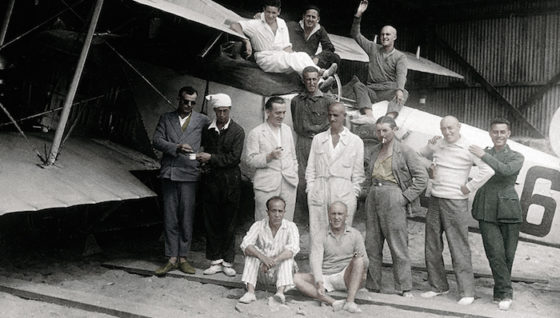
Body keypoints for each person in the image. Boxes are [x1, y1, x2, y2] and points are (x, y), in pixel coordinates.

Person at [418, 115, 495, 305]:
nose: (447, 132)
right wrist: (429, 154)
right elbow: (417, 155)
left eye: (451, 128)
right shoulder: (438, 144)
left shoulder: (468, 147)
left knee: (458, 246)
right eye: (443, 128)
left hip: (456, 203)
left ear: (459, 127)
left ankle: (467, 291)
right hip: (435, 199)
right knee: (432, 244)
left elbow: (488, 171)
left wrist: (469, 187)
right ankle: (438, 286)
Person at [362, 116, 428, 296]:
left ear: (395, 130)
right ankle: (373, 285)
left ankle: (404, 287)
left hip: (394, 196)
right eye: (378, 131)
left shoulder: (405, 151)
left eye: (385, 130)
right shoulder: (374, 150)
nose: (381, 134)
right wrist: (367, 192)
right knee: (372, 243)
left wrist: (405, 197)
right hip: (374, 195)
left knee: (398, 244)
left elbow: (422, 178)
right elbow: (368, 177)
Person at [152, 86, 210, 276]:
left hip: (189, 174)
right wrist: (176, 147)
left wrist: (205, 159)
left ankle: (183, 257)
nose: (189, 105)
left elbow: (212, 139)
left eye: (193, 103)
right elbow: (157, 140)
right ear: (179, 99)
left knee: (186, 218)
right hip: (169, 173)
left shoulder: (202, 120)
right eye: (185, 101)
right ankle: (171, 258)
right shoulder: (166, 118)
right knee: (170, 217)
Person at [469, 118, 524, 311]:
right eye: (495, 132)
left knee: (508, 255)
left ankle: (499, 292)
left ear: (509, 134)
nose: (499, 135)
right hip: (486, 208)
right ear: (490, 133)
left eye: (502, 132)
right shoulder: (483, 152)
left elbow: (505, 170)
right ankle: (506, 293)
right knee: (495, 254)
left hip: (509, 210)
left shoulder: (517, 156)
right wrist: (436, 144)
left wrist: (483, 155)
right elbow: (461, 155)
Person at [196, 93, 245, 277]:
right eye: (219, 111)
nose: (222, 114)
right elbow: (204, 152)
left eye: (225, 111)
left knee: (229, 222)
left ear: (230, 110)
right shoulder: (208, 131)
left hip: (230, 182)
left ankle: (228, 261)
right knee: (212, 221)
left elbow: (234, 158)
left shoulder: (238, 131)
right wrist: (202, 161)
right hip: (211, 181)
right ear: (215, 111)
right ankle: (215, 260)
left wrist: (211, 158)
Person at [230, 0, 337, 78]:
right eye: (268, 12)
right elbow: (234, 25)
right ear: (263, 10)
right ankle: (323, 73)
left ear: (279, 12)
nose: (271, 16)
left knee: (302, 56)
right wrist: (246, 40)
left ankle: (321, 81)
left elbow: (286, 46)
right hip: (265, 58)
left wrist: (295, 54)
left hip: (280, 55)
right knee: (291, 59)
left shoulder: (281, 22)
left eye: (274, 13)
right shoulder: (255, 24)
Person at [294, 201, 368, 313]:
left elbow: (365, 262)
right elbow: (316, 260)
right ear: (328, 215)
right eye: (333, 214)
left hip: (345, 277)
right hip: (325, 277)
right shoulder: (320, 234)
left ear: (346, 216)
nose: (336, 217)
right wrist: (319, 282)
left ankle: (349, 302)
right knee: (295, 278)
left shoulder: (355, 234)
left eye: (340, 214)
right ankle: (333, 302)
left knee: (359, 260)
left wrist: (358, 262)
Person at [306, 102, 364, 239]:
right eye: (330, 115)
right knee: (318, 235)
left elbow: (358, 174)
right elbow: (311, 169)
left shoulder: (355, 141)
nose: (332, 119)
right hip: (320, 191)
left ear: (344, 116)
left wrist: (353, 194)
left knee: (341, 236)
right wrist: (311, 190)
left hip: (344, 192)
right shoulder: (318, 139)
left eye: (336, 115)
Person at [350, 0, 408, 121]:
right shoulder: (373, 48)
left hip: (388, 90)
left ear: (394, 37)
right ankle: (369, 116)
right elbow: (355, 34)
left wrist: (399, 90)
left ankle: (389, 119)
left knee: (404, 92)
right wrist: (358, 15)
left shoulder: (400, 56)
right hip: (372, 90)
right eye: (382, 34)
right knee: (358, 85)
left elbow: (401, 75)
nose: (384, 37)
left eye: (388, 34)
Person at [291, 66, 334, 222]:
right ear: (303, 80)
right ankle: (305, 216)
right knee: (301, 179)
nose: (311, 83)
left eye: (314, 79)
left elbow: (333, 124)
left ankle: (319, 216)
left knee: (320, 178)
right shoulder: (296, 101)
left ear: (318, 80)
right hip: (302, 142)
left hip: (320, 143)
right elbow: (296, 122)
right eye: (308, 79)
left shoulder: (328, 100)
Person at [245, 96, 298, 221]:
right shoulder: (256, 132)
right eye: (278, 112)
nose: (281, 116)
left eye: (284, 112)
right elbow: (250, 160)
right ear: (267, 112)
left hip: (288, 183)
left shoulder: (287, 130)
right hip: (266, 185)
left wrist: (294, 172)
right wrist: (269, 156)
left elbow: (293, 156)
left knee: (286, 222)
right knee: (264, 222)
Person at [239, 196, 300, 304]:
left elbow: (292, 249)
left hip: (281, 273)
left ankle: (280, 293)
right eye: (273, 211)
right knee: (251, 253)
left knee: (288, 258)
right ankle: (250, 293)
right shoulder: (258, 225)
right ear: (267, 212)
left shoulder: (291, 226)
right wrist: (263, 258)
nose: (277, 215)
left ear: (284, 212)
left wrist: (272, 261)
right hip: (263, 272)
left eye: (280, 211)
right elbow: (245, 244)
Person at [286, 5, 340, 70]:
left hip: (309, 60)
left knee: (335, 57)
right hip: (293, 58)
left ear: (318, 19)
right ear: (303, 16)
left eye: (313, 17)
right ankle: (323, 73)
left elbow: (329, 48)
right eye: (308, 16)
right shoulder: (292, 26)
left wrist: (318, 57)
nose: (310, 19)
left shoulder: (320, 30)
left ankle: (327, 75)